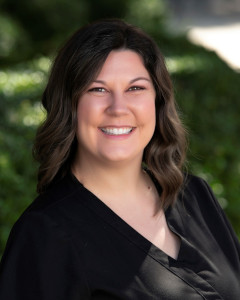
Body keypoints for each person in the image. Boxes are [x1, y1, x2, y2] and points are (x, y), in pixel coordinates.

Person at [0, 19, 239, 300]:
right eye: (97, 89)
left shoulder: (196, 196)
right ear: (69, 106)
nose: (118, 108)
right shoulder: (44, 235)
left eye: (135, 88)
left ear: (157, 102)